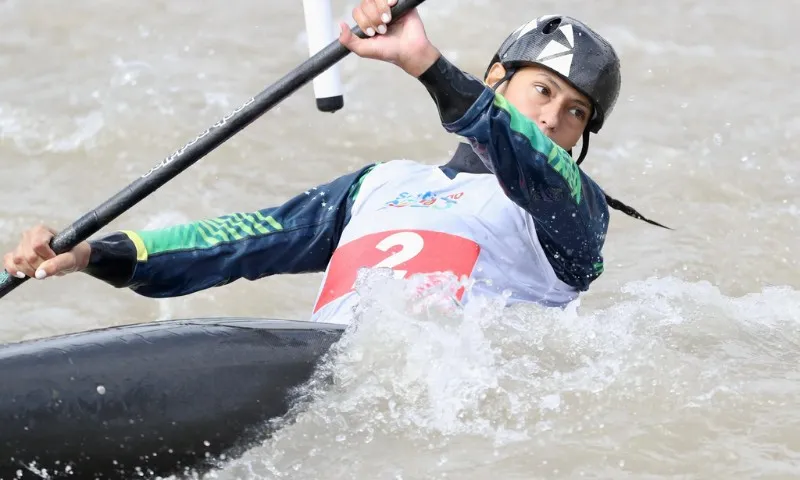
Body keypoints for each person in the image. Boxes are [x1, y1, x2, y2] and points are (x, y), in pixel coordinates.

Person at [2, 1, 668, 322]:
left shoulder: (574, 210)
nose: (554, 118)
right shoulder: (379, 185)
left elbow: (527, 159)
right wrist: (93, 254)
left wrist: (426, 65)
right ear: (497, 79)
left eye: (577, 112)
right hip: (321, 374)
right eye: (543, 91)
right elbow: (235, 243)